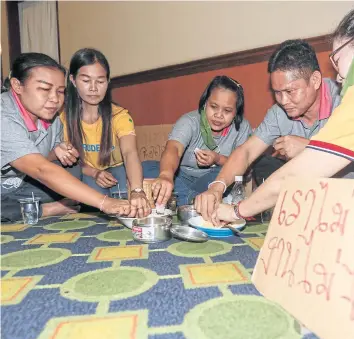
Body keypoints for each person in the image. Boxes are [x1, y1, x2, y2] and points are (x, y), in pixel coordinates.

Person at [210, 1, 354, 225]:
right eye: (277, 92)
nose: (340, 77)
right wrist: (217, 186)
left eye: (337, 59)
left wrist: (237, 211)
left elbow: (300, 173)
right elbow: (249, 150)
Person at [195, 40, 354, 219]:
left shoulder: (346, 99)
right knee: (266, 164)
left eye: (290, 91)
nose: (283, 101)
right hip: (313, 203)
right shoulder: (279, 114)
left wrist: (310, 148)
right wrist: (217, 187)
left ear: (315, 80)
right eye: (277, 92)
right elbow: (246, 152)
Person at [1, 53, 135, 222]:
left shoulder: (53, 118)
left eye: (60, 91)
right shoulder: (3, 116)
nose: (55, 99)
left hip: (18, 186)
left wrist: (55, 153)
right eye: (44, 89)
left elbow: (39, 161)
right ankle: (44, 210)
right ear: (17, 86)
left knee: (72, 168)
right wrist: (105, 202)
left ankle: (25, 208)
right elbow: (40, 170)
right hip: (7, 192)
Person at [61, 48, 149, 216]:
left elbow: (130, 153)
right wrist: (94, 172)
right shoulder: (62, 118)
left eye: (100, 81)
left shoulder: (119, 115)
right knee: (93, 191)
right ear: (72, 80)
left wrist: (137, 190)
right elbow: (66, 162)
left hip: (116, 169)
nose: (93, 88)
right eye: (86, 80)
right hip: (84, 172)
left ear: (108, 82)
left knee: (130, 186)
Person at [142, 75, 251, 206]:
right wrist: (166, 175)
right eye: (214, 106)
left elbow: (242, 165)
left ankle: (185, 199)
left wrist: (217, 159)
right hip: (180, 177)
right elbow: (174, 149)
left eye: (227, 110)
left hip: (212, 181)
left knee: (226, 174)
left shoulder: (243, 128)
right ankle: (195, 200)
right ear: (205, 103)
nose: (218, 115)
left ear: (236, 112)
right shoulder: (189, 121)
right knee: (146, 168)